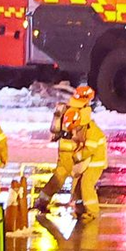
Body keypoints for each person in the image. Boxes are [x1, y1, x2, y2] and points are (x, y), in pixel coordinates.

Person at [37, 86, 95, 214]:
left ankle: (79, 206)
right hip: (70, 147)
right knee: (61, 175)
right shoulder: (80, 110)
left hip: (68, 145)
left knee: (75, 176)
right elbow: (80, 130)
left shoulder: (70, 107)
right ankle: (42, 201)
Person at [71, 106, 108, 220]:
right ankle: (80, 209)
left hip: (95, 164)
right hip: (86, 163)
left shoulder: (93, 131)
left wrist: (76, 156)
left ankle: (93, 211)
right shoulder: (83, 129)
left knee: (86, 185)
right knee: (76, 186)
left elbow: (89, 150)